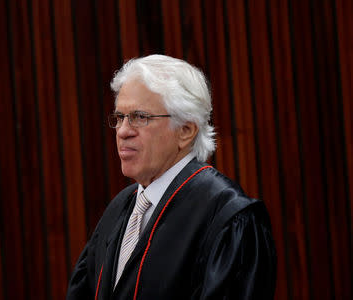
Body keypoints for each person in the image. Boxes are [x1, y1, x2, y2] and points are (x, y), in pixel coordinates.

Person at [66, 55, 276, 300]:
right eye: (120, 117)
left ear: (185, 131)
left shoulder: (227, 217)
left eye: (140, 117)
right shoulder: (119, 210)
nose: (123, 131)